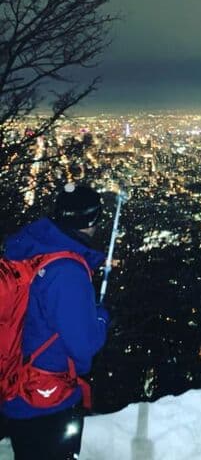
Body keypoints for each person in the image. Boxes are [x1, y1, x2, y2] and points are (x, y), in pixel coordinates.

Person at [1, 183, 110, 460]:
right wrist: (101, 316)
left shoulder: (35, 245)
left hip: (18, 383)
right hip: (45, 396)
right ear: (91, 220)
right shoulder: (67, 272)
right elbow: (84, 345)